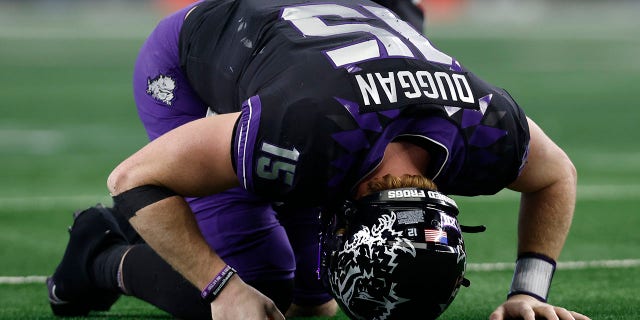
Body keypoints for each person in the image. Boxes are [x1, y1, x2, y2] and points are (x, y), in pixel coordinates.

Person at [47, 0, 591, 319]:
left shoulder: (486, 130)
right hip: (199, 51)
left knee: (315, 300)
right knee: (262, 285)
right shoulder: (300, 135)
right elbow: (134, 177)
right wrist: (222, 288)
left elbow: (555, 175)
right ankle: (98, 256)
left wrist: (528, 290)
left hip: (321, 71)